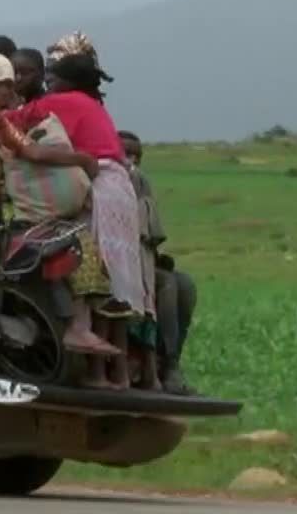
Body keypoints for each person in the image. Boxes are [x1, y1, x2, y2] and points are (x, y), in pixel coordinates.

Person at [2, 48, 150, 390]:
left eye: (49, 78)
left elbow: (20, 125)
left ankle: (85, 351)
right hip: (118, 189)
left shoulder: (63, 101)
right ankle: (117, 374)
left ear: (65, 81)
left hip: (99, 185)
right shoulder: (91, 104)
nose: (46, 84)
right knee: (114, 282)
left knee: (87, 264)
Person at [0, 53, 118, 358]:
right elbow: (32, 153)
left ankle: (72, 328)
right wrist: (81, 159)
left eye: (10, 84)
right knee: (63, 240)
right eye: (0, 85)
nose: (9, 91)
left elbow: (26, 150)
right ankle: (76, 328)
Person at [120, 130, 198, 395]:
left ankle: (170, 361)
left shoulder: (140, 183)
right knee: (165, 283)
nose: (131, 160)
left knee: (184, 284)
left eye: (136, 155)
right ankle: (167, 365)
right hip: (113, 263)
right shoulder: (109, 181)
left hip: (138, 260)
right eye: (125, 153)